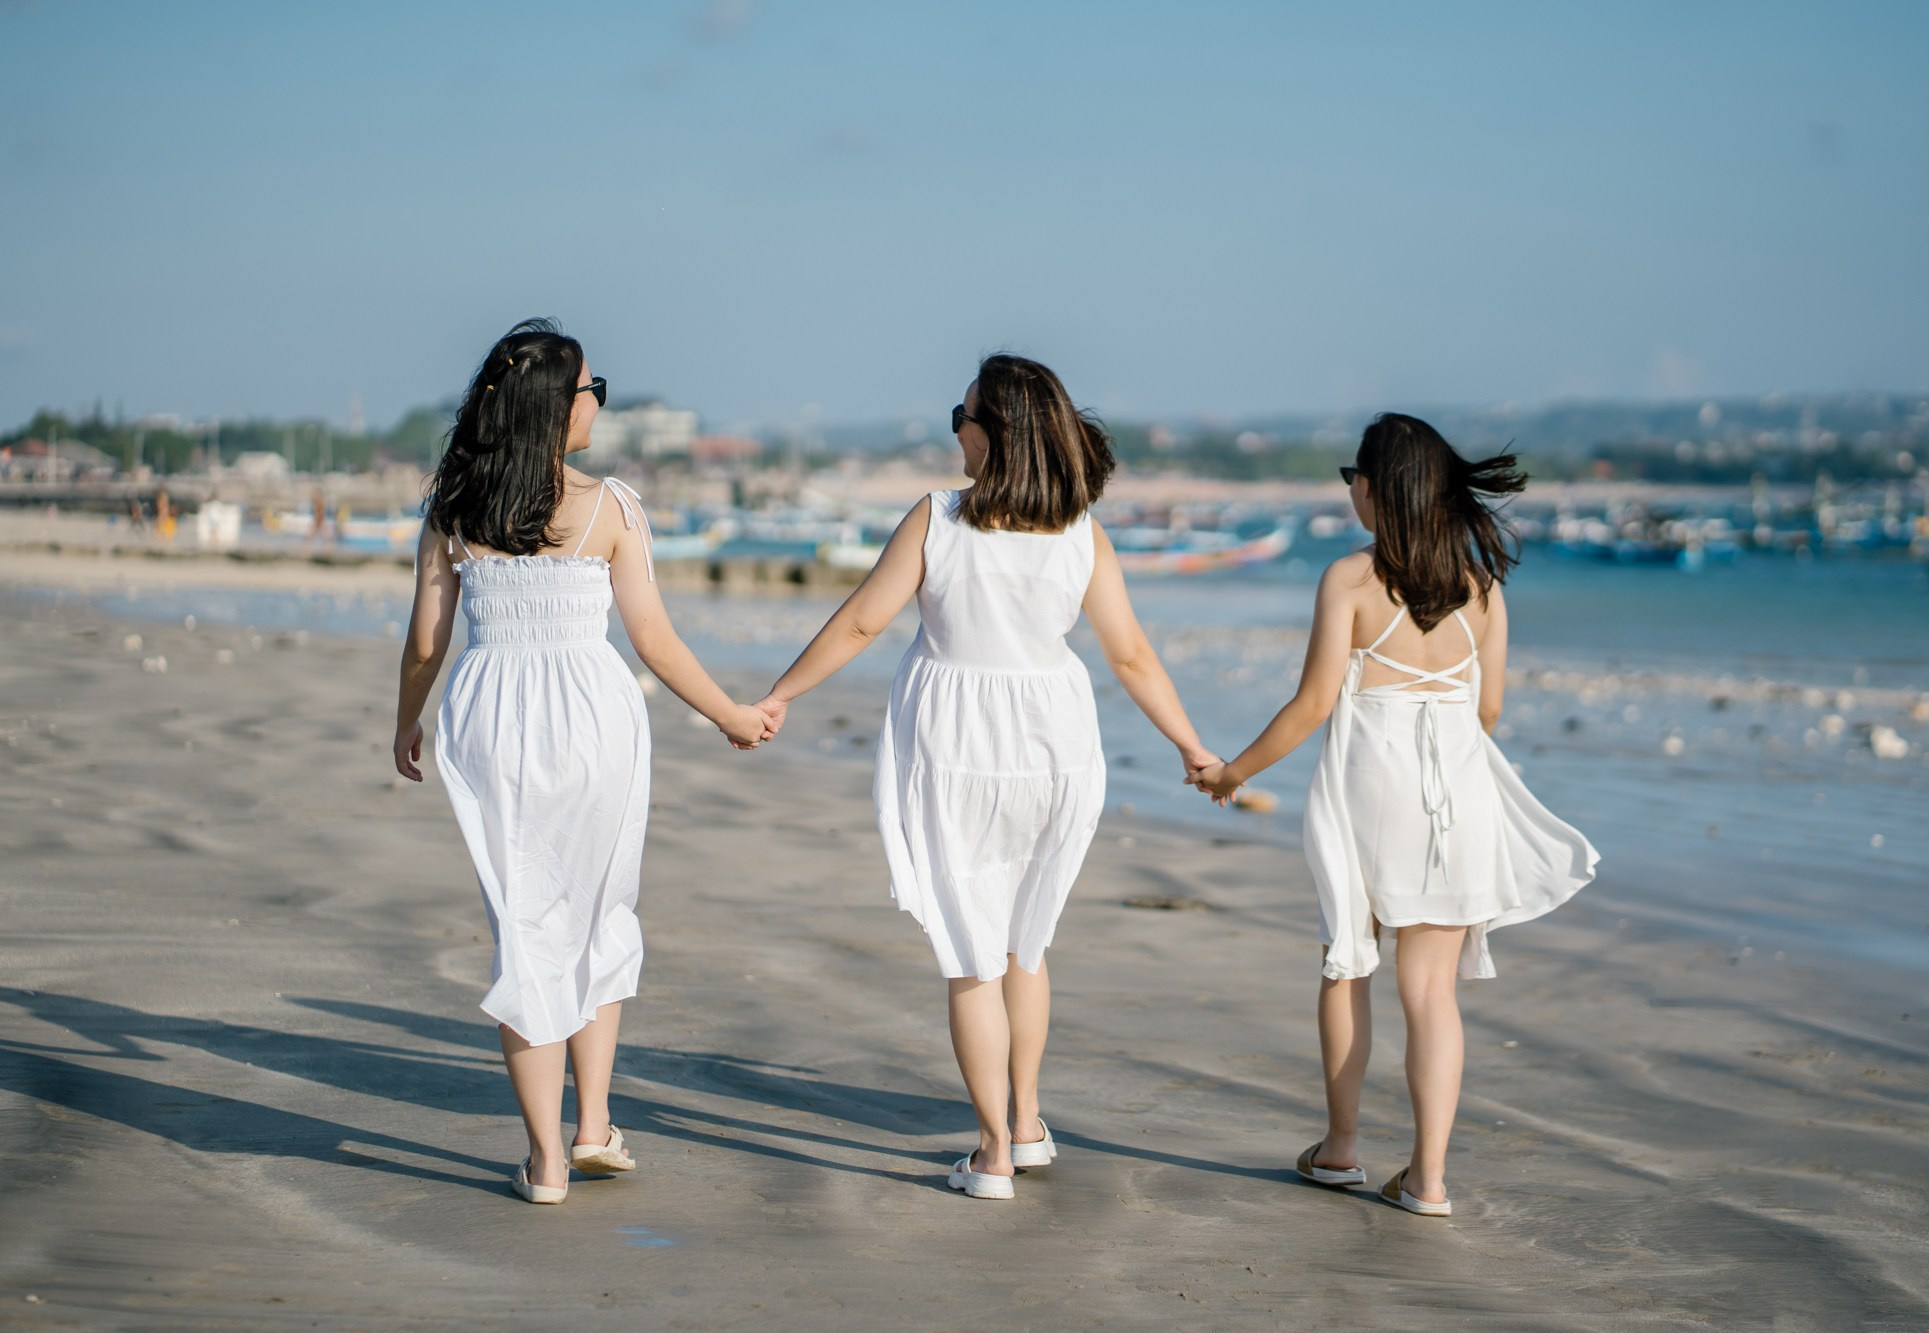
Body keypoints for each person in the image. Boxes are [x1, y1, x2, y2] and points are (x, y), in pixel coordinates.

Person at [751, 355, 1218, 1200]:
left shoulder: (937, 518)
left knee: (972, 957)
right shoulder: (1082, 530)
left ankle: (993, 1151)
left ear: (994, 432)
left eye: (960, 414)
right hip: (1054, 745)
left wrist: (780, 693)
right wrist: (1191, 745)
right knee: (1024, 946)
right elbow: (1132, 655)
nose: (955, 429)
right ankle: (1029, 1121)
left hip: (955, 743)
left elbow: (861, 621)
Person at [392, 318, 773, 1205]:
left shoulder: (454, 506)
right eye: (593, 389)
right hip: (597, 718)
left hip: (491, 719)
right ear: (557, 408)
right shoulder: (610, 506)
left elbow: (425, 641)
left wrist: (406, 722)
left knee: (527, 927)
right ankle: (594, 1124)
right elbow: (654, 640)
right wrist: (731, 716)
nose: (602, 400)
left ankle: (548, 1161)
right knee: (602, 909)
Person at [1194, 412, 1596, 1218]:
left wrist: (1233, 770)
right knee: (1431, 992)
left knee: (1348, 961)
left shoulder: (1349, 581)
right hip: (1457, 800)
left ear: (1377, 490)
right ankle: (1429, 1179)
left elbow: (1311, 706)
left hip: (1370, 792)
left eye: (1353, 479)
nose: (1350, 491)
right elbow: (1488, 712)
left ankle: (1340, 1149)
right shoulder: (1482, 589)